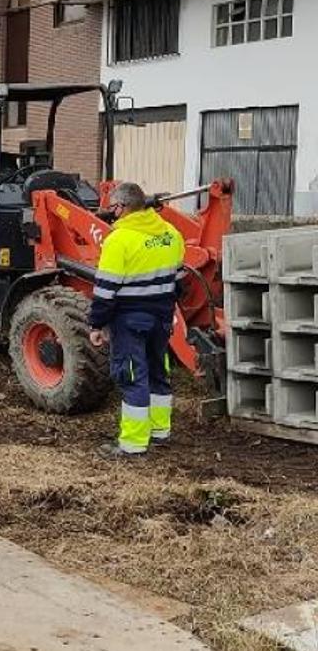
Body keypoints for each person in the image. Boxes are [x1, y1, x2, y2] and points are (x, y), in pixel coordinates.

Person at [88, 182, 185, 457]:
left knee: (132, 376)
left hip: (130, 320)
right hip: (163, 317)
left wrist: (96, 324)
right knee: (158, 372)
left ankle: (132, 443)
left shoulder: (119, 240)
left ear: (121, 207)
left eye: (113, 208)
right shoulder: (170, 233)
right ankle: (160, 431)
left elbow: (106, 290)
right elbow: (179, 278)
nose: (112, 213)